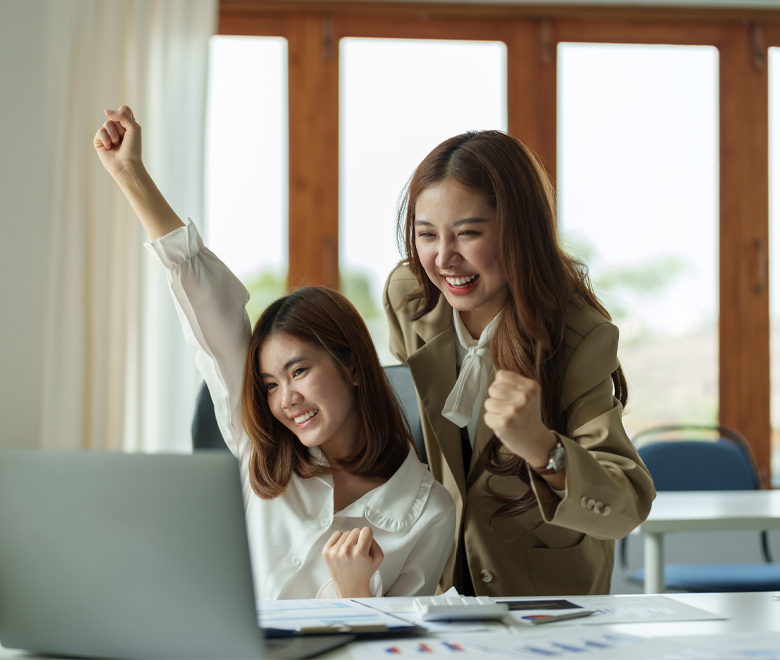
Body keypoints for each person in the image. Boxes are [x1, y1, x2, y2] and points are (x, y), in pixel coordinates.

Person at [93, 106, 455, 600]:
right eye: (269, 384)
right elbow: (209, 312)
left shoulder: (429, 510)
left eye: (299, 370)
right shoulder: (262, 455)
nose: (286, 399)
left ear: (351, 366)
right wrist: (130, 174)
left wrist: (355, 593)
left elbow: (393, 648)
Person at [383, 130, 656, 597]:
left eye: (468, 233)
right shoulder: (410, 298)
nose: (444, 258)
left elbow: (626, 504)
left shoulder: (578, 334)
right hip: (437, 588)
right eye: (427, 234)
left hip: (544, 596)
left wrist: (544, 449)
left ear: (519, 231)